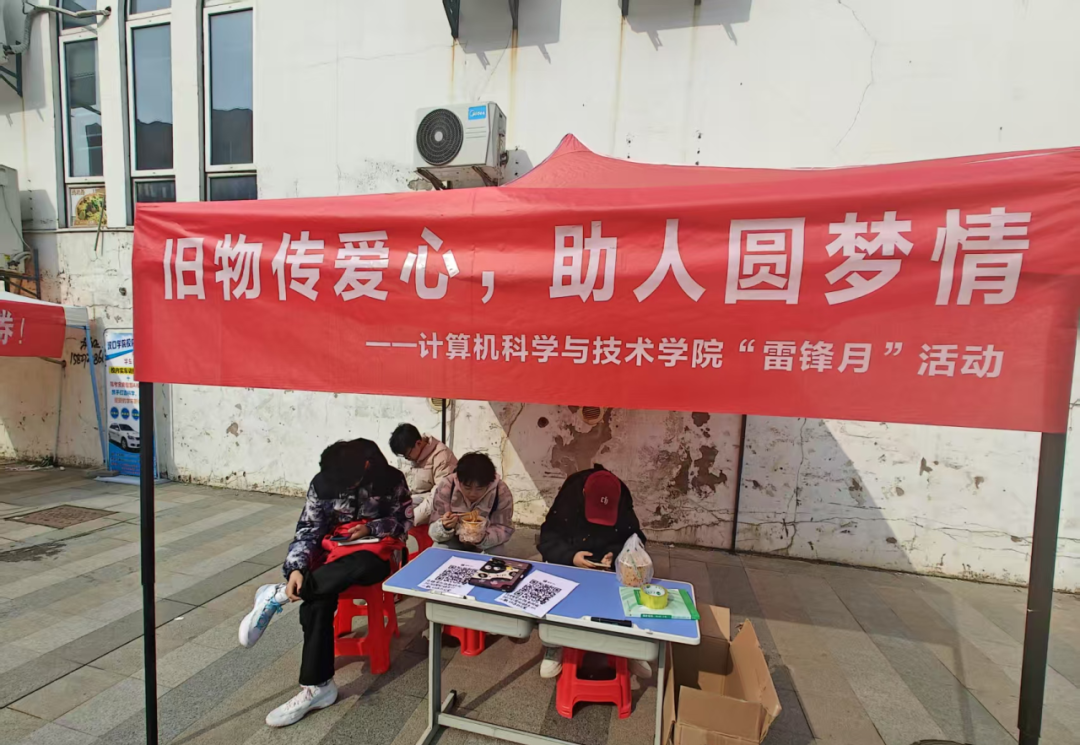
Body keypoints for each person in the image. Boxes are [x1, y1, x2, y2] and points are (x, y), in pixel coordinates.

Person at [237, 439, 412, 728]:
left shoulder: (390, 479)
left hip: (376, 555)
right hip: (333, 556)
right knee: (317, 601)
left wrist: (370, 527)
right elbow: (309, 529)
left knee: (362, 566)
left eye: (350, 484)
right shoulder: (323, 483)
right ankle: (318, 687)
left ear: (365, 466)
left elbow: (403, 521)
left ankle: (277, 596)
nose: (344, 489)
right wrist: (296, 568)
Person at [536, 464, 650, 680]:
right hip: (571, 559)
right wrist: (571, 557)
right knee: (553, 590)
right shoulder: (568, 499)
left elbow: (634, 539)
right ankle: (554, 644)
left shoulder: (622, 498)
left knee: (635, 582)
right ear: (583, 495)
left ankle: (632, 647)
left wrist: (615, 556)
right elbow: (548, 539)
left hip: (606, 564)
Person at [428, 452, 514, 552]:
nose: (473, 494)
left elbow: (504, 529)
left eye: (479, 488)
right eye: (467, 487)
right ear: (458, 480)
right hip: (453, 539)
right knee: (438, 549)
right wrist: (444, 526)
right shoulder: (447, 486)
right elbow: (433, 531)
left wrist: (481, 538)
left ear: (489, 483)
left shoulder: (501, 491)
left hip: (485, 541)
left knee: (497, 551)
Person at [388, 423, 457, 527]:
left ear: (418, 443)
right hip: (417, 497)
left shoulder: (442, 457)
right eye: (403, 456)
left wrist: (411, 519)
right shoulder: (410, 454)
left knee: (405, 519)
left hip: (438, 502)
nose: (406, 458)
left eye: (407, 455)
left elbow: (439, 496)